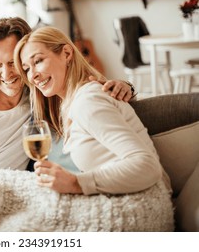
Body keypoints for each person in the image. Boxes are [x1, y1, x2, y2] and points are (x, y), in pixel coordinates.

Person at [0, 17, 135, 202]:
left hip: (6, 194)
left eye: (12, 64)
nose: (6, 75)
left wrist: (124, 86)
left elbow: (81, 85)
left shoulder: (43, 94)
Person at [14, 26, 171, 195]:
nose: (32, 75)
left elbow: (148, 167)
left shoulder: (87, 101)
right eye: (26, 69)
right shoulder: (67, 103)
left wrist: (76, 183)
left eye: (38, 61)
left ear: (67, 53)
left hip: (145, 201)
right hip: (122, 197)